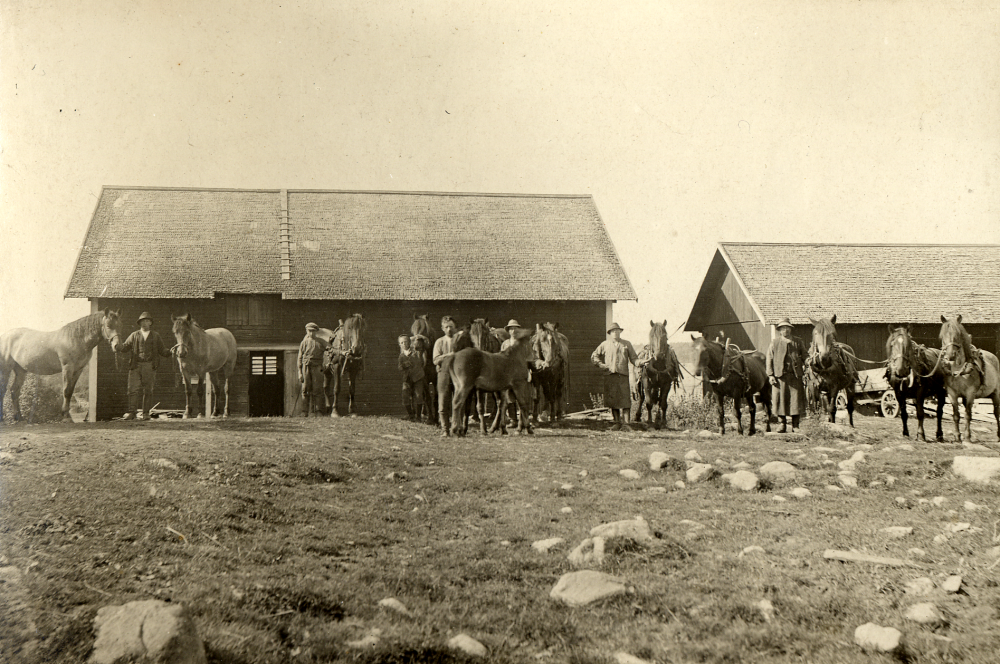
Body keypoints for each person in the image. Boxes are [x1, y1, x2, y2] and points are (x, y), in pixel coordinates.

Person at [118, 312, 173, 420]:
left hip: (149, 365)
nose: (144, 323)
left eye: (147, 321)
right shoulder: (134, 335)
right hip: (135, 365)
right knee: (132, 389)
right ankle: (132, 412)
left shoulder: (156, 336)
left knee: (148, 390)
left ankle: (146, 413)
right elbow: (125, 347)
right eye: (142, 321)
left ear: (150, 323)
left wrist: (171, 351)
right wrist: (117, 346)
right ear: (139, 323)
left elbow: (162, 350)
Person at [591, 322, 638, 431]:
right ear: (610, 333)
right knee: (613, 400)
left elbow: (634, 359)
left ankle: (626, 424)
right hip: (610, 376)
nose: (615, 333)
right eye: (613, 331)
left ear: (620, 332)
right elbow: (594, 356)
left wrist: (640, 362)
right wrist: (600, 364)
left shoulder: (627, 344)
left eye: (617, 330)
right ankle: (616, 423)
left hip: (623, 376)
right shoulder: (605, 344)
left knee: (625, 399)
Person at [766, 318, 806, 433]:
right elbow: (769, 359)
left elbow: (805, 355)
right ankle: (782, 425)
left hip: (795, 376)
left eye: (787, 328)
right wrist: (770, 375)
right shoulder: (774, 342)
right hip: (780, 377)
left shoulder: (798, 342)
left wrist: (808, 361)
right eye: (783, 328)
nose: (785, 330)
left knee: (796, 400)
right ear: (779, 330)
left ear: (790, 329)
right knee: (780, 401)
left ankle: (795, 425)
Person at [432, 316, 458, 425]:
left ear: (455, 327)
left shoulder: (460, 340)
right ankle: (445, 428)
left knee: (458, 402)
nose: (449, 329)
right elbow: (435, 360)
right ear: (442, 328)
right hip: (444, 374)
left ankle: (457, 427)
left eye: (451, 326)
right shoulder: (440, 342)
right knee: (443, 402)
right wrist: (450, 355)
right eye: (446, 327)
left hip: (458, 375)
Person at [298, 322, 327, 416]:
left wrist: (342, 352)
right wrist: (300, 373)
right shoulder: (304, 343)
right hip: (306, 367)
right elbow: (299, 357)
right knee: (305, 389)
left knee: (317, 389)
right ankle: (304, 411)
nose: (311, 333)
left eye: (313, 331)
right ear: (306, 331)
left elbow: (331, 349)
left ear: (316, 332)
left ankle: (318, 411)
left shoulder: (321, 341)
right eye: (309, 331)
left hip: (317, 367)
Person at [397, 333, 426, 421]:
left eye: (406, 342)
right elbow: (399, 367)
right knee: (405, 396)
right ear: (399, 344)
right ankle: (411, 415)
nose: (404, 344)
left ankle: (418, 416)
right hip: (407, 379)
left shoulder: (416, 351)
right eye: (401, 343)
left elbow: (421, 363)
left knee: (418, 395)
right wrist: (404, 365)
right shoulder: (401, 355)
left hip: (417, 377)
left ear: (409, 342)